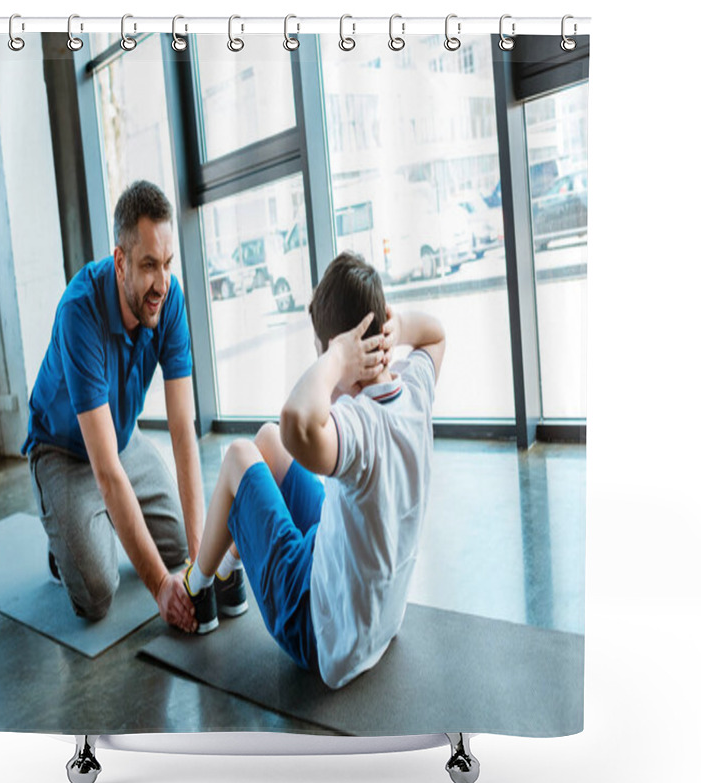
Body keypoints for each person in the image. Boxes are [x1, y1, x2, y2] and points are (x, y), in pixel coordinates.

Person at [182, 251, 446, 689]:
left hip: (322, 632)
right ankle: (229, 572)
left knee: (237, 457)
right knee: (265, 439)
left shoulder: (357, 428)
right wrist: (396, 330)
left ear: (340, 352)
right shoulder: (415, 390)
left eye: (325, 354)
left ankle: (197, 586)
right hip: (374, 614)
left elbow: (297, 421)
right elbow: (436, 335)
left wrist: (338, 357)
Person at [23, 180, 204, 633]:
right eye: (148, 266)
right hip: (63, 452)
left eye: (167, 264)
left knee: (183, 544)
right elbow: (104, 471)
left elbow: (183, 431)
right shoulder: (78, 313)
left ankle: (104, 521)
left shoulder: (169, 299)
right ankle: (63, 537)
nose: (161, 282)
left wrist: (199, 563)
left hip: (121, 439)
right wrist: (162, 587)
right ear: (120, 261)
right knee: (97, 595)